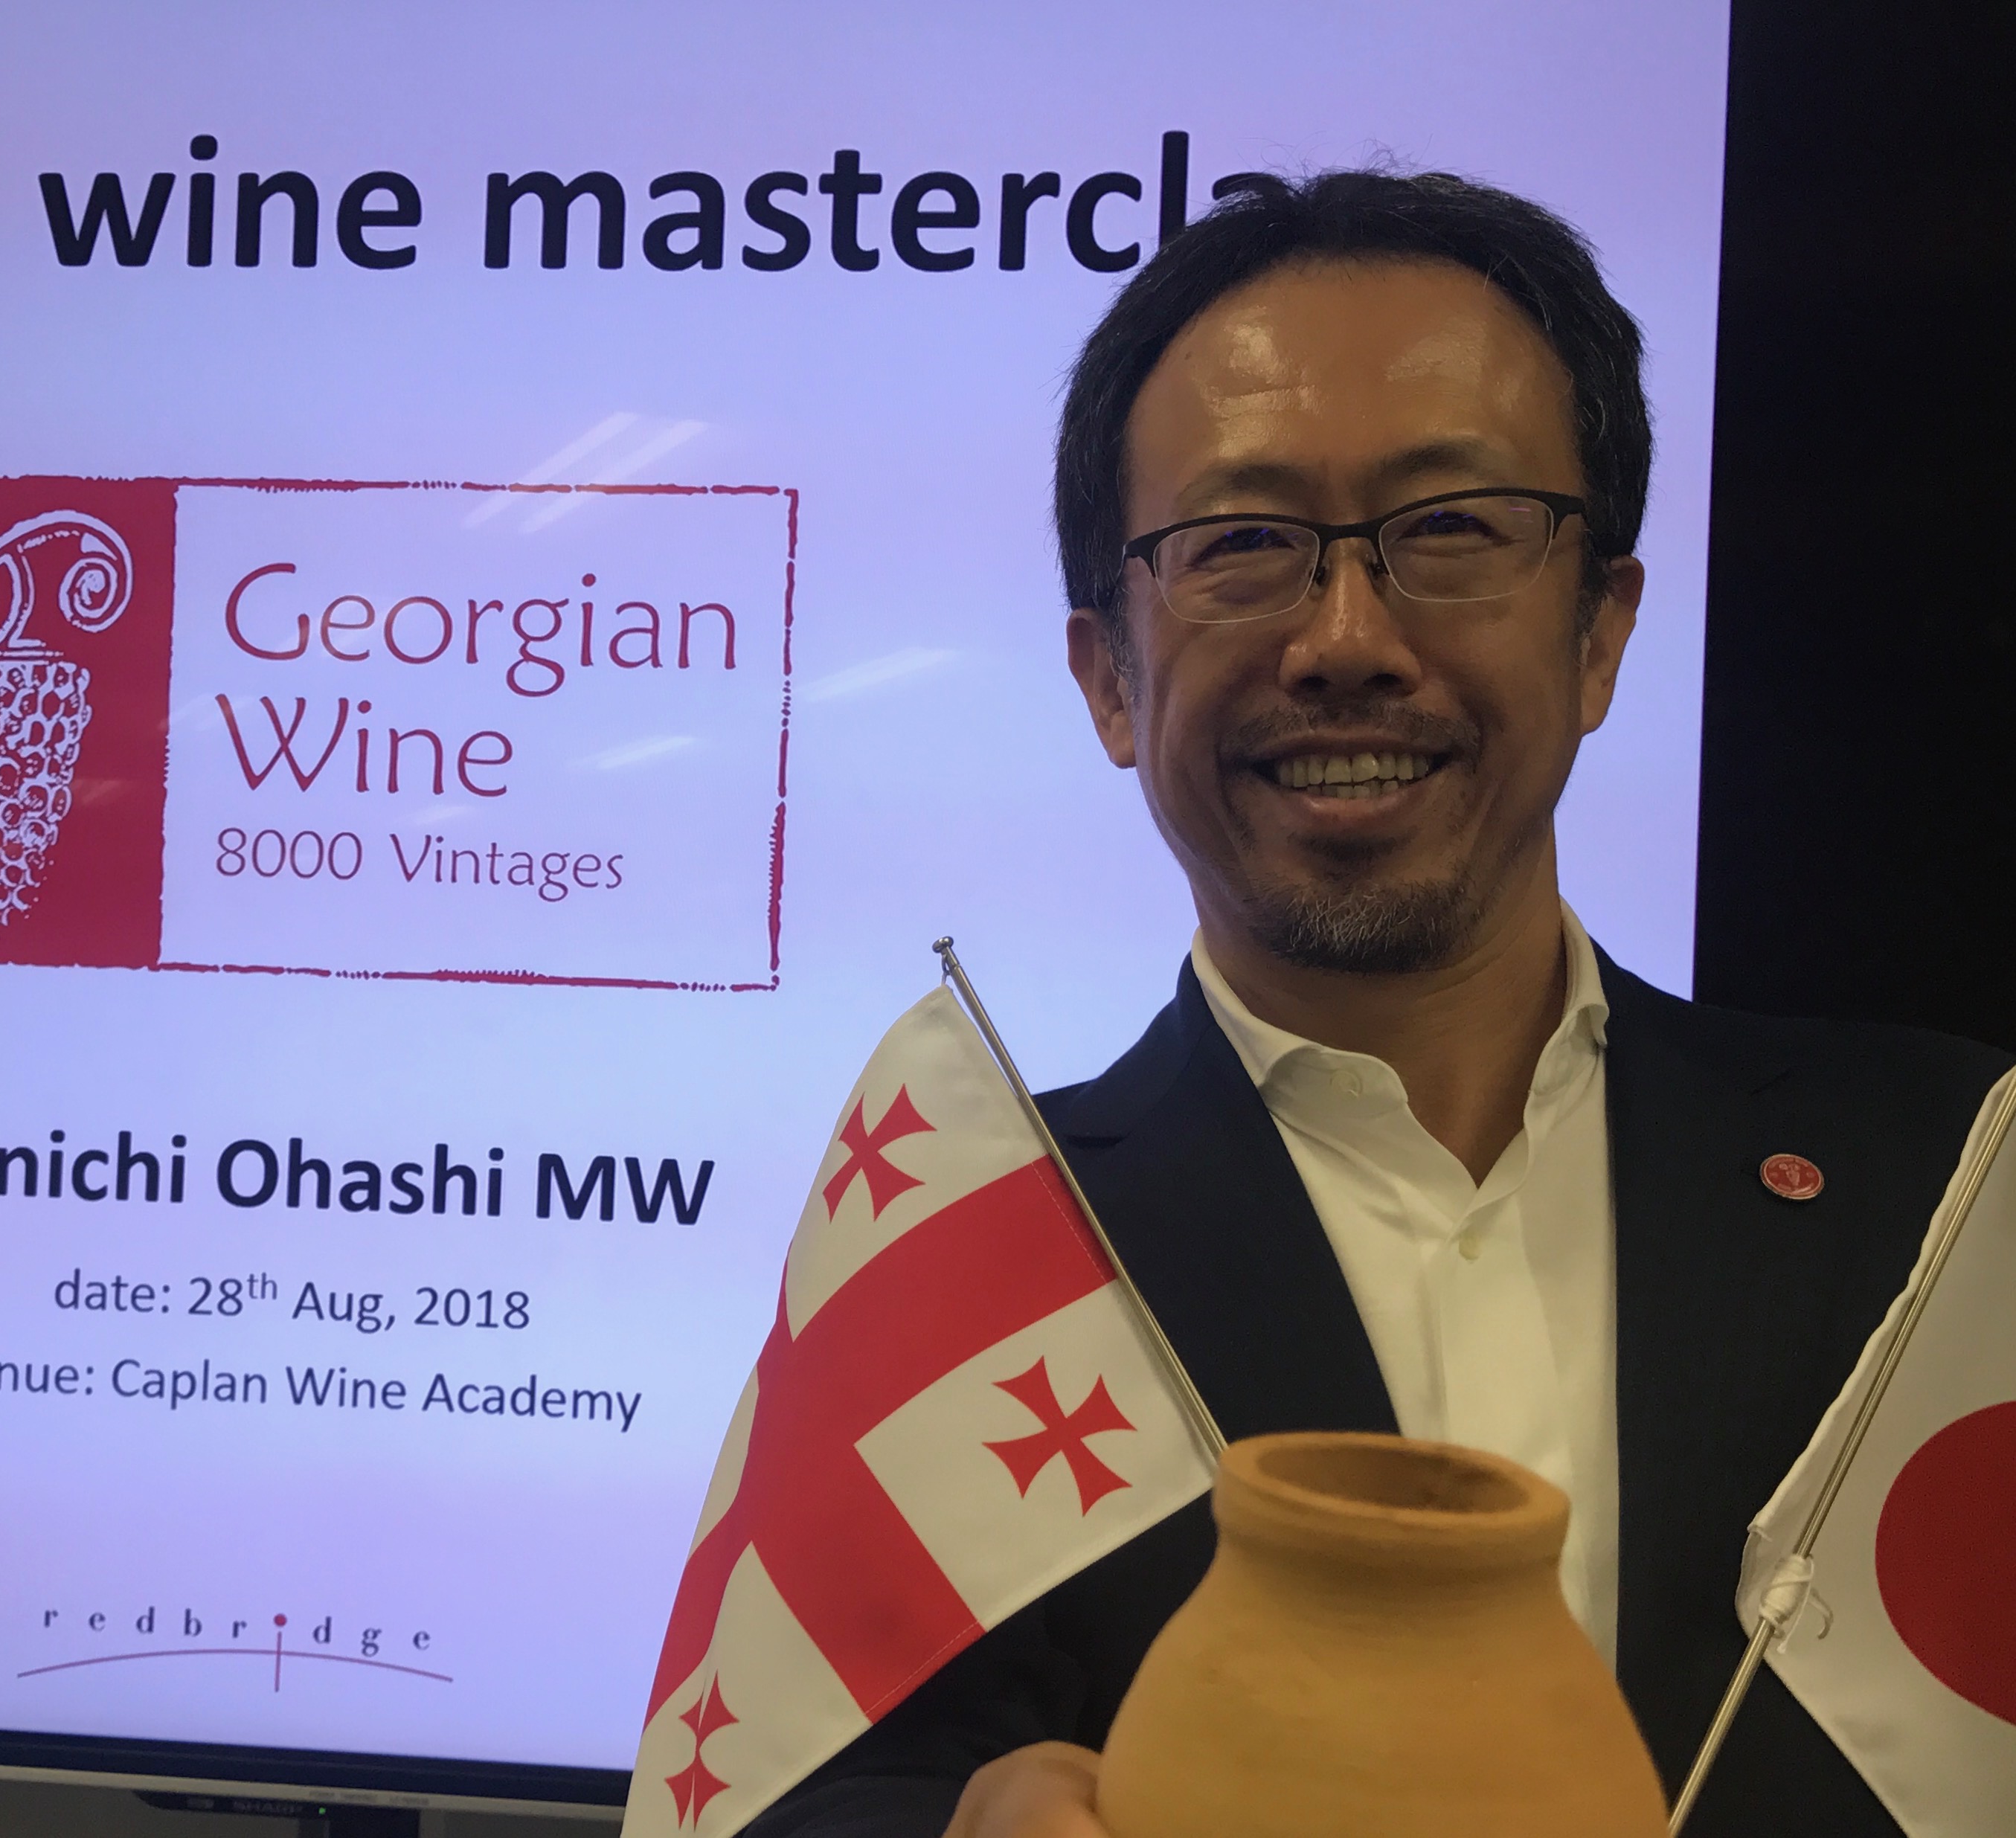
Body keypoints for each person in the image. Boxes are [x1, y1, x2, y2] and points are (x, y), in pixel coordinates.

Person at [747, 171, 2008, 1838]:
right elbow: (797, 1791)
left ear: (1601, 632)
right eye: (1242, 545)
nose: (1345, 639)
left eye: (1451, 529)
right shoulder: (969, 1254)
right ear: (1109, 677)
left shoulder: (1957, 1193)